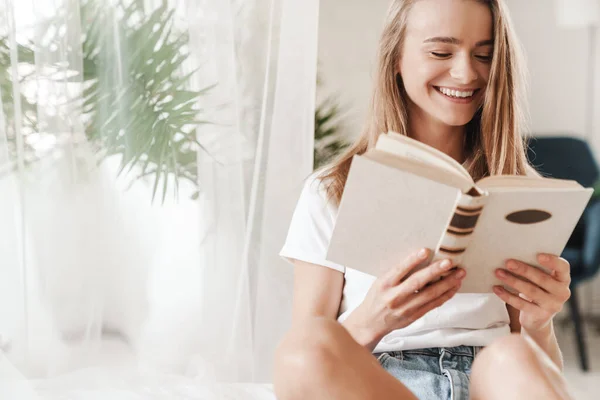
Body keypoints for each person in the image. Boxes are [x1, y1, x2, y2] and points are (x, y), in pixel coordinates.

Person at [273, 0, 575, 399]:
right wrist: (373, 319)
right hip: (382, 381)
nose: (466, 73)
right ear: (395, 58)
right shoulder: (332, 190)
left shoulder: (517, 195)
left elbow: (540, 374)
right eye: (440, 52)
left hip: (491, 378)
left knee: (513, 357)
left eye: (484, 55)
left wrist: (540, 323)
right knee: (303, 348)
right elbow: (306, 369)